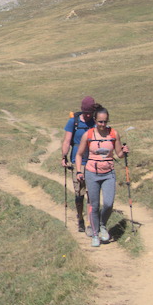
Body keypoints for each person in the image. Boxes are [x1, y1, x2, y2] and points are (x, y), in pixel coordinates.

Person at [75, 106, 130, 247]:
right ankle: (95, 234)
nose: (103, 125)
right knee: (94, 206)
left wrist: (124, 151)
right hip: (92, 173)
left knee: (108, 203)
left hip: (108, 173)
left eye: (105, 122)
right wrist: (79, 171)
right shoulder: (88, 135)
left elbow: (119, 154)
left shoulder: (113, 134)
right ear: (95, 120)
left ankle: (102, 225)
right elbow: (79, 154)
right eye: (100, 122)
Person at [60, 96, 97, 232]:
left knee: (90, 192)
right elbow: (66, 141)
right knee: (79, 193)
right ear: (82, 110)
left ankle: (89, 221)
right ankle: (80, 217)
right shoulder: (73, 122)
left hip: (93, 161)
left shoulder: (96, 122)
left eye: (90, 112)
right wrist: (64, 156)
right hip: (77, 162)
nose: (88, 115)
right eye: (86, 112)